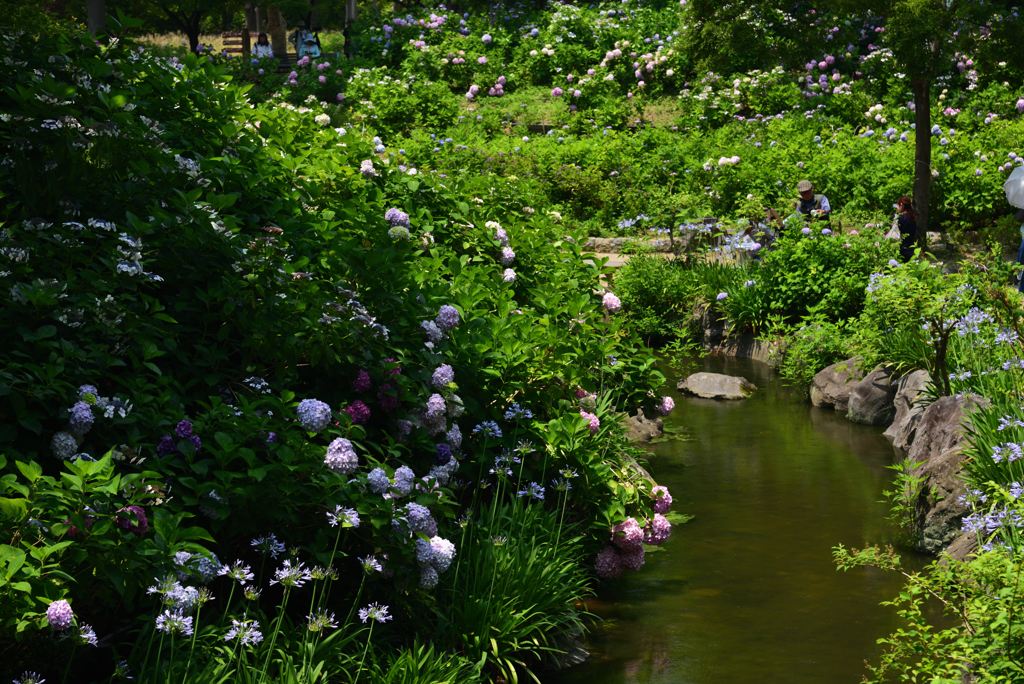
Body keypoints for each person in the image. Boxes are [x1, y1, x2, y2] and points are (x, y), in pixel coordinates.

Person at [893, 195, 917, 262]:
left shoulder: (897, 218)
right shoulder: (912, 219)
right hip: (909, 251)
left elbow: (885, 227)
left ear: (901, 205)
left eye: (897, 205)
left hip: (898, 251)